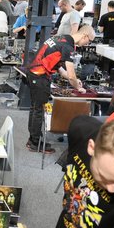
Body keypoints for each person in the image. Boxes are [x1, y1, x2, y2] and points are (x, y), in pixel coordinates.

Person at [26, 24, 95, 153]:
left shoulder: (61, 38)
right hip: (40, 75)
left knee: (35, 108)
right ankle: (35, 143)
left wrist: (71, 79)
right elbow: (72, 75)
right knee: (38, 110)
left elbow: (59, 67)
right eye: (89, 41)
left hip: (34, 72)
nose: (87, 44)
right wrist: (78, 87)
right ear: (85, 36)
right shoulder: (68, 47)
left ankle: (33, 140)